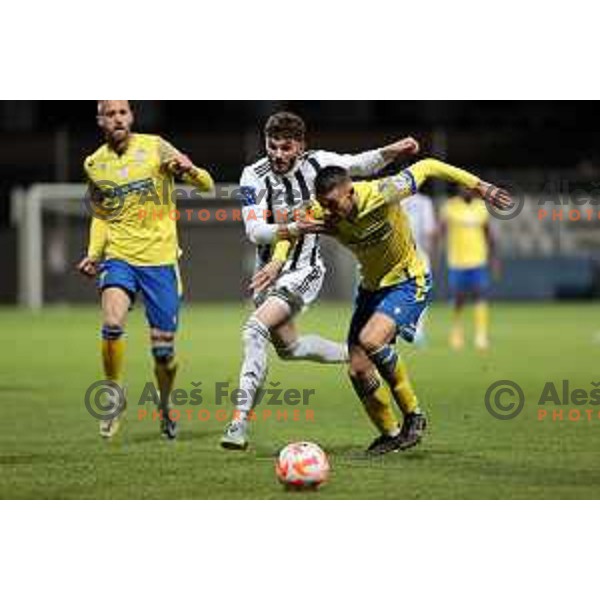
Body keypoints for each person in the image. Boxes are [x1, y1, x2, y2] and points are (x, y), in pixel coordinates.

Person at [277, 159, 511, 454]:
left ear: (350, 191)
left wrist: (481, 187)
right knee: (358, 369)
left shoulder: (383, 192)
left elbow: (427, 166)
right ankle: (391, 433)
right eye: (325, 204)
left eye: (334, 203)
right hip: (371, 288)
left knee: (371, 340)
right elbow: (290, 227)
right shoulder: (320, 210)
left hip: (408, 281)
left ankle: (414, 415)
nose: (330, 211)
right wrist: (277, 261)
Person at [220, 111, 420, 450]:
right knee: (290, 348)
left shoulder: (319, 162)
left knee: (254, 330)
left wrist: (395, 149)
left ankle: (238, 424)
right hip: (269, 272)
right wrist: (293, 228)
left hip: (304, 271)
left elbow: (359, 164)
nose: (279, 154)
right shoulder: (252, 176)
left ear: (301, 146)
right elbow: (254, 231)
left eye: (286, 147)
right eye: (272, 146)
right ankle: (354, 354)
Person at [77, 100, 214, 439]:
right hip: (120, 257)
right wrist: (95, 254)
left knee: (163, 353)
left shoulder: (155, 146)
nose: (118, 118)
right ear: (100, 121)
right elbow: (100, 214)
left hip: (160, 262)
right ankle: (113, 396)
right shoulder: (94, 164)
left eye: (123, 112)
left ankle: (166, 408)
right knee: (111, 324)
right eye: (110, 113)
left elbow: (207, 185)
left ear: (131, 117)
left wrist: (189, 170)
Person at [439, 189, 499, 350]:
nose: (467, 190)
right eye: (463, 187)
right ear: (458, 188)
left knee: (480, 295)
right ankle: (457, 331)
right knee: (459, 299)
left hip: (478, 259)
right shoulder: (450, 206)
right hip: (457, 261)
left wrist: (494, 259)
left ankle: (481, 335)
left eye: (469, 187)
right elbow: (441, 231)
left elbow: (488, 234)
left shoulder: (481, 207)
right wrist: (435, 248)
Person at [401, 191, 437, 344]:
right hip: (418, 254)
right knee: (421, 292)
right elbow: (429, 232)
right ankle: (417, 331)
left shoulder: (393, 199)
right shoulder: (424, 202)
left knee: (394, 291)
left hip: (397, 254)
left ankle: (396, 329)